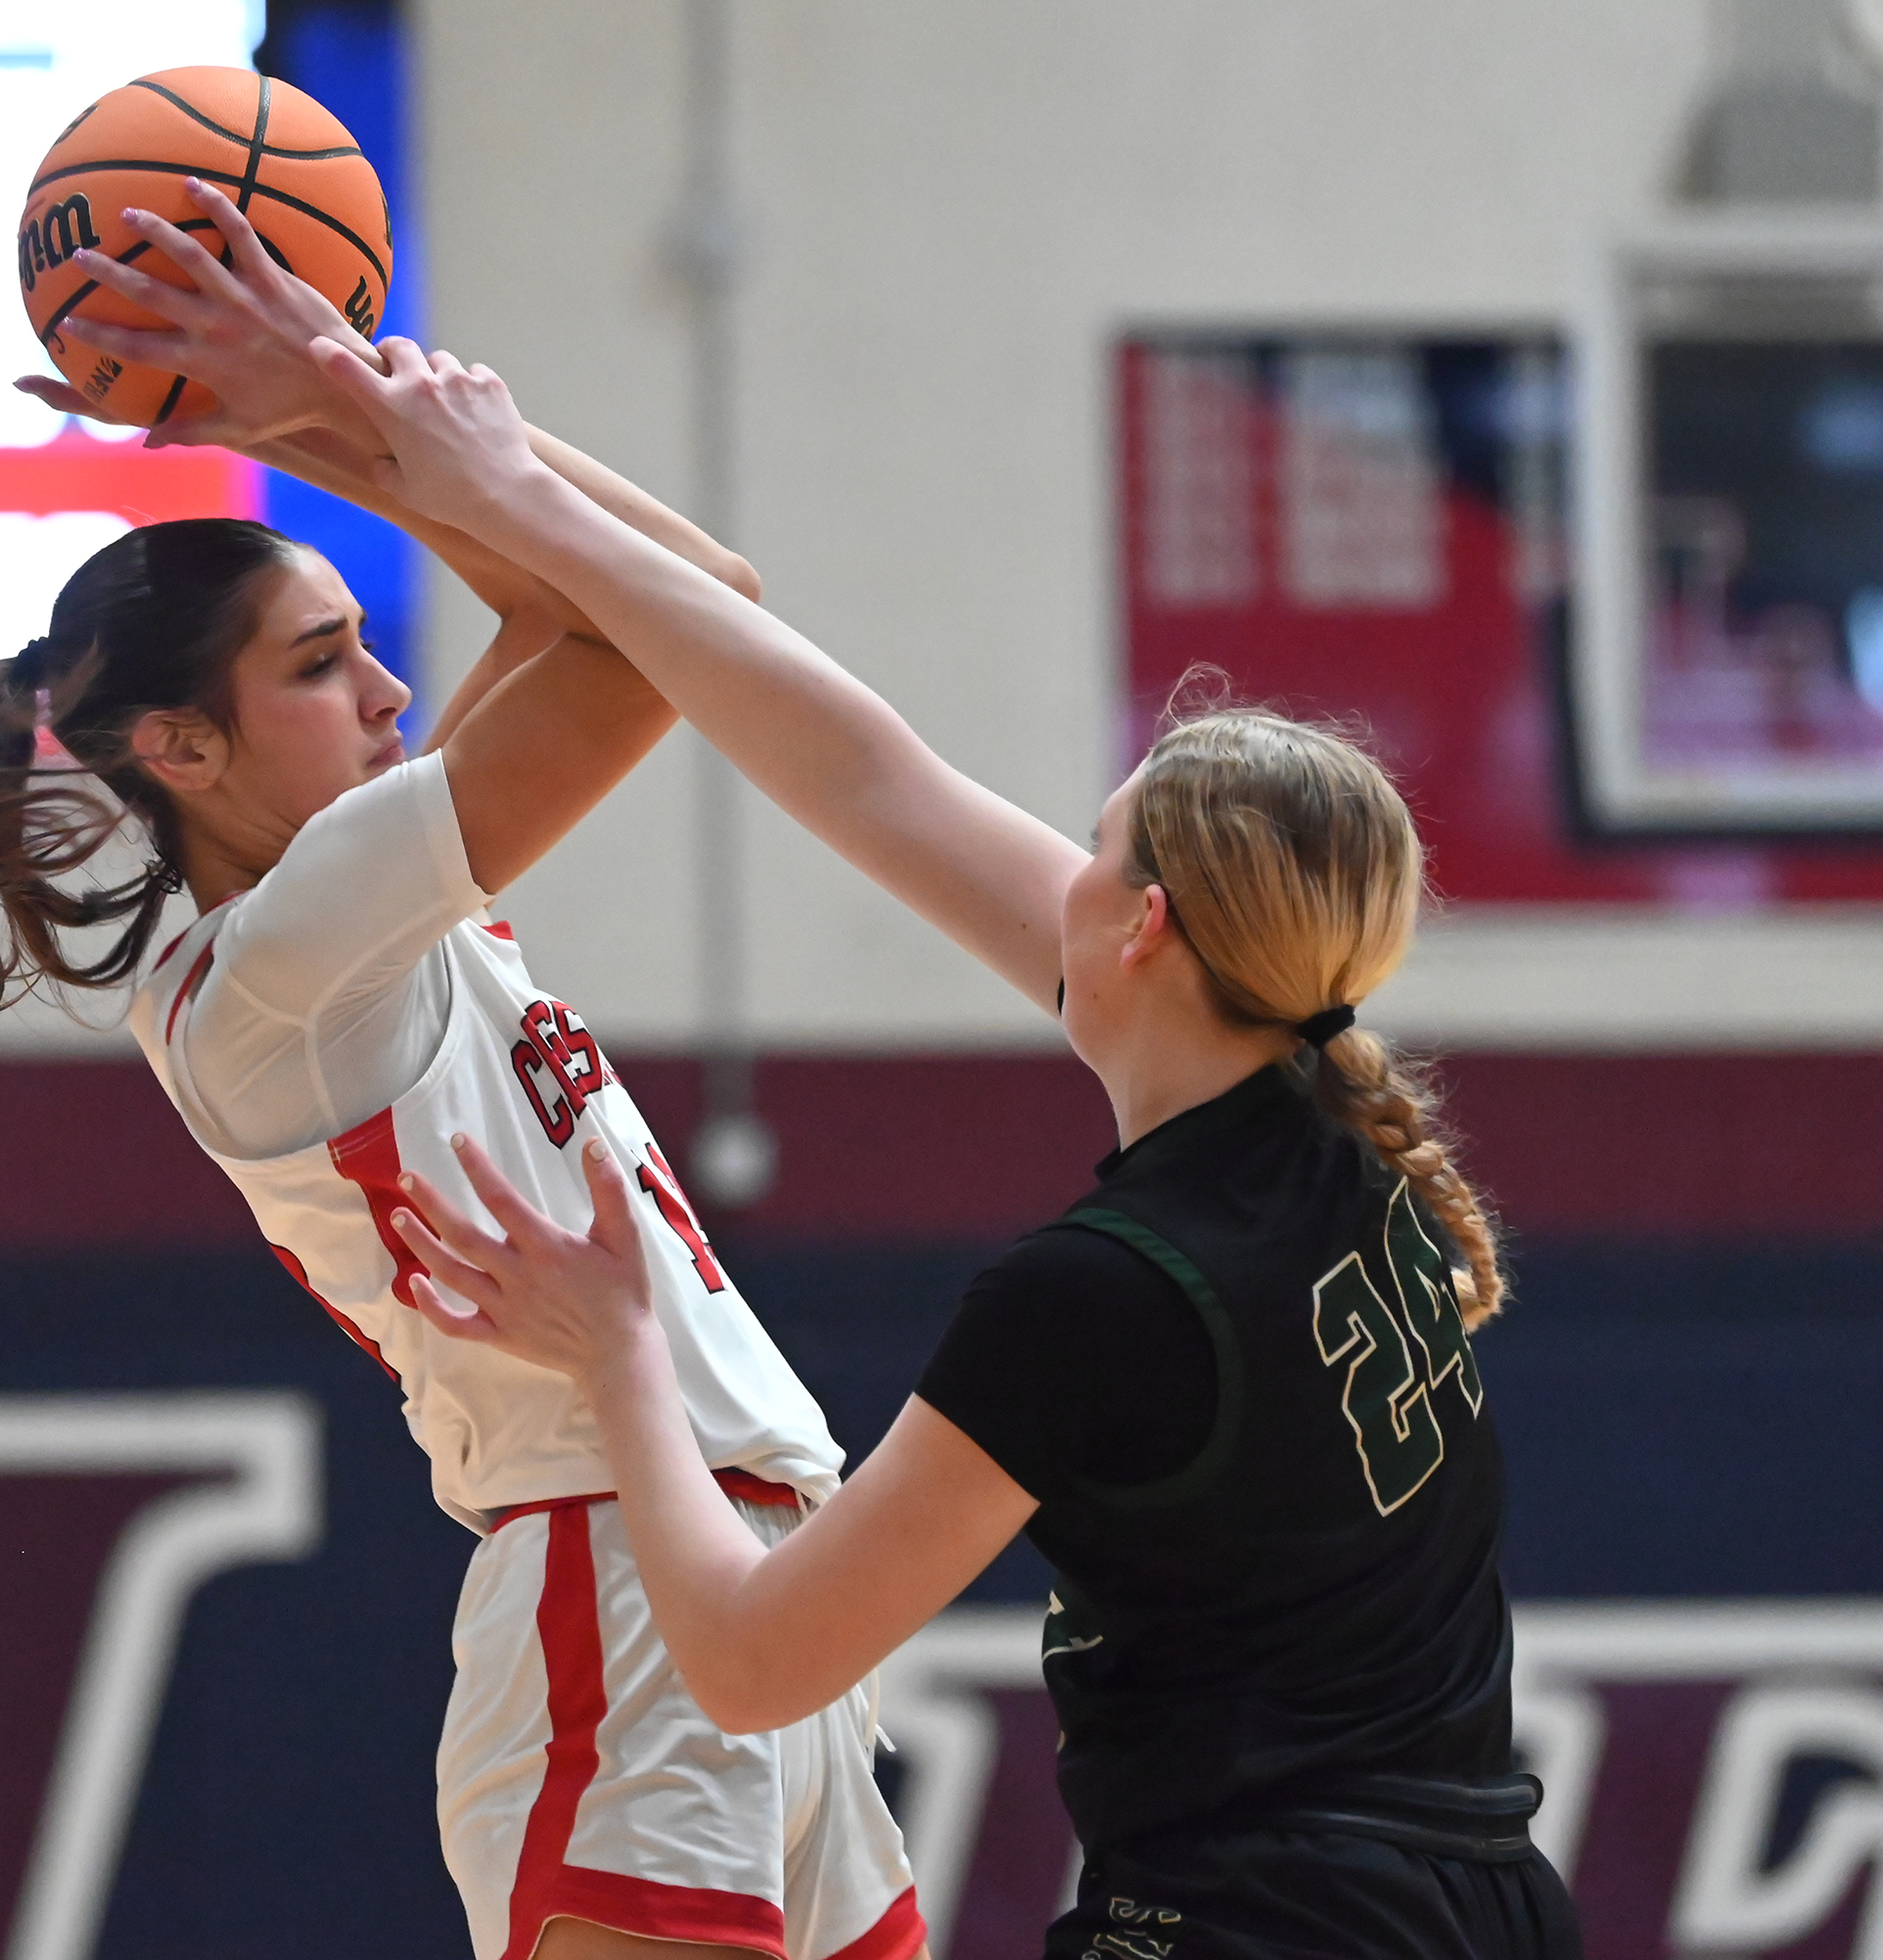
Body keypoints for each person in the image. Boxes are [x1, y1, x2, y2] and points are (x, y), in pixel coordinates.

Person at [0, 183, 928, 1960]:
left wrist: (319, 412)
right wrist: (332, 398)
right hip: (618, 1578)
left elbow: (694, 603)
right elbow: (654, 642)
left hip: (740, 1584)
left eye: (370, 640)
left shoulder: (354, 898)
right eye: (323, 663)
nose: (388, 692)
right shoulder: (279, 969)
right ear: (184, 747)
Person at [313, 339, 1582, 1959]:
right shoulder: (1331, 1121)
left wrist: (622, 1354)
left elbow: (759, 1660)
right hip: (1486, 1910)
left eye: (1095, 845)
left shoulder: (1103, 1293)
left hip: (1269, 1923)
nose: (1058, 864)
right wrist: (448, 461)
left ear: (1141, 930)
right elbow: (860, 768)